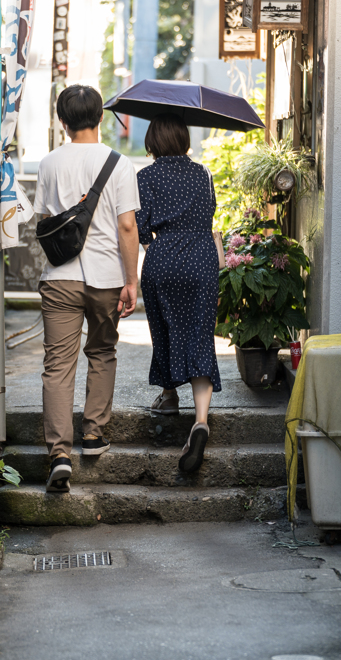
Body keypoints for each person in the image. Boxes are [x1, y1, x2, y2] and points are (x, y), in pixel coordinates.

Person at [33, 85, 140, 492]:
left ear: (63, 121)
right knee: (102, 352)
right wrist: (131, 281)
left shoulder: (48, 163)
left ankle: (59, 453)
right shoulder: (119, 163)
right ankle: (93, 435)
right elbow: (127, 226)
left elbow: (46, 218)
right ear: (99, 119)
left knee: (58, 366)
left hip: (59, 276)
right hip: (105, 277)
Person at [135, 114, 221, 473]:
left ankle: (170, 397)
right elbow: (210, 215)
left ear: (153, 140)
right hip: (202, 258)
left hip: (163, 258)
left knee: (166, 329)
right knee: (200, 336)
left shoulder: (145, 177)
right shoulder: (202, 174)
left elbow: (140, 228)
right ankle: (200, 421)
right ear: (184, 138)